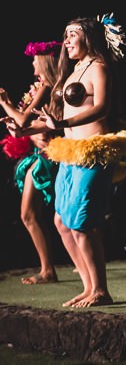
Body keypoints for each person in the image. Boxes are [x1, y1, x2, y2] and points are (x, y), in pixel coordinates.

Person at [6, 15, 126, 308]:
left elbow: (101, 108)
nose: (66, 41)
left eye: (72, 35)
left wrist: (62, 123)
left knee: (81, 223)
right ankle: (89, 287)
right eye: (65, 35)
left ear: (88, 37)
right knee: (61, 221)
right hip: (69, 152)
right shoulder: (74, 71)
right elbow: (55, 122)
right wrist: (23, 130)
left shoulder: (99, 68)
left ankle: (101, 289)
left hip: (94, 152)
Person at [0, 40, 62, 284]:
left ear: (44, 60)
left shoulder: (48, 86)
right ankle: (48, 268)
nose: (33, 64)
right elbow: (25, 126)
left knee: (33, 214)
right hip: (39, 155)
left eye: (35, 59)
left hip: (48, 156)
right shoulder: (46, 86)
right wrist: (18, 129)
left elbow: (25, 119)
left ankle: (49, 270)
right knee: (32, 214)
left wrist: (4, 102)